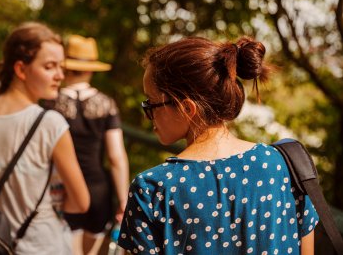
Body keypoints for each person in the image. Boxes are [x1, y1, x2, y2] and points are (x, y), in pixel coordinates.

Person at [118, 37, 319, 254]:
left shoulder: (153, 189)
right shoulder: (280, 164)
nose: (148, 113)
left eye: (150, 103)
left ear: (186, 108)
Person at [0, 22, 90, 255]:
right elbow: (81, 202)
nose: (60, 75)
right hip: (39, 245)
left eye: (61, 66)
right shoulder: (49, 123)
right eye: (50, 67)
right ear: (21, 69)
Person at [45, 34, 129, 255]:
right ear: (91, 69)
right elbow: (116, 157)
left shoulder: (49, 103)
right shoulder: (106, 104)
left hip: (59, 188)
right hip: (97, 189)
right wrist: (123, 199)